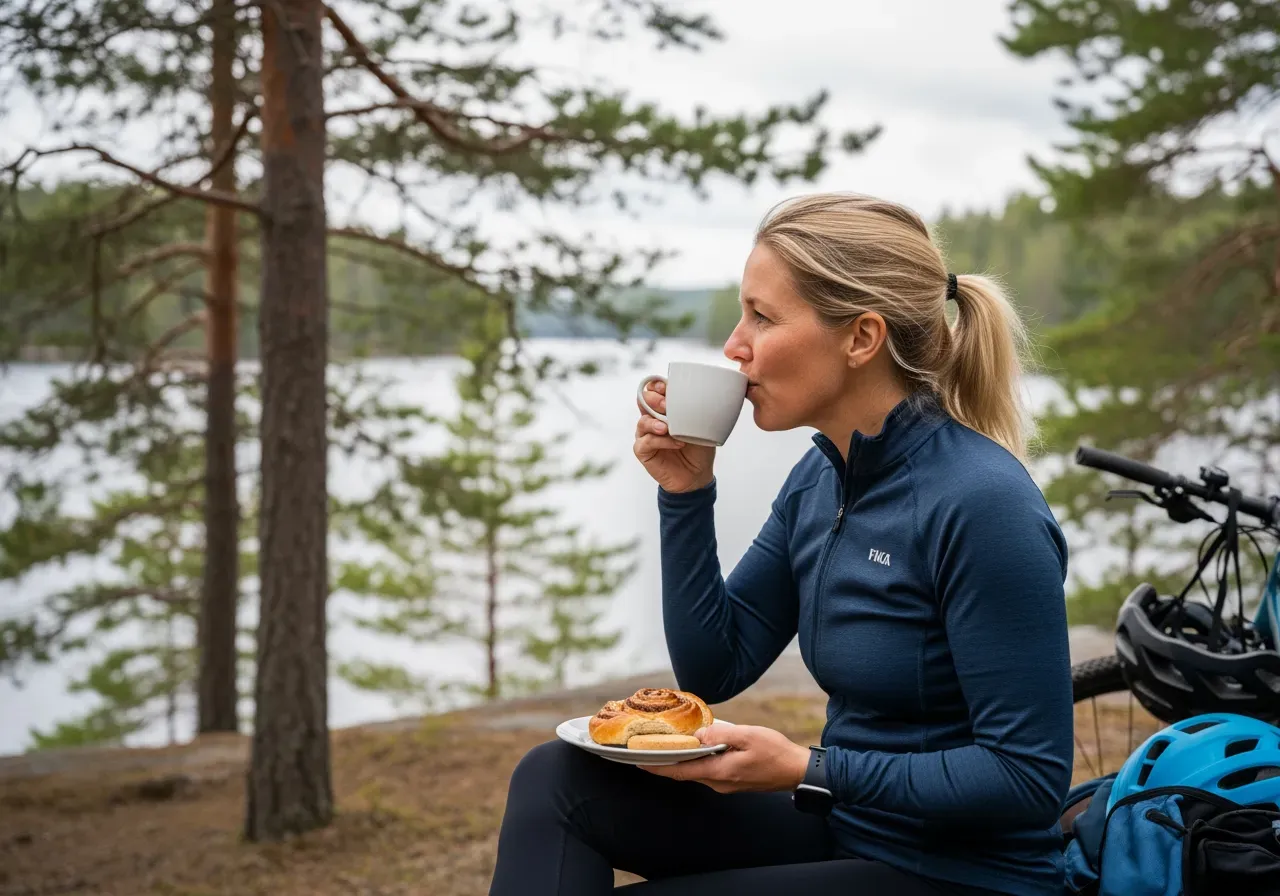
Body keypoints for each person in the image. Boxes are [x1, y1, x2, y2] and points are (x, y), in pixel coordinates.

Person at [488, 192, 1074, 896]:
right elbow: (716, 663)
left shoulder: (984, 504)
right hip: (851, 825)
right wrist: (685, 492)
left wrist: (809, 767)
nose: (735, 345)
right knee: (556, 778)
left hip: (968, 874)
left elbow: (1027, 778)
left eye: (762, 317)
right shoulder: (822, 477)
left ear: (861, 338)